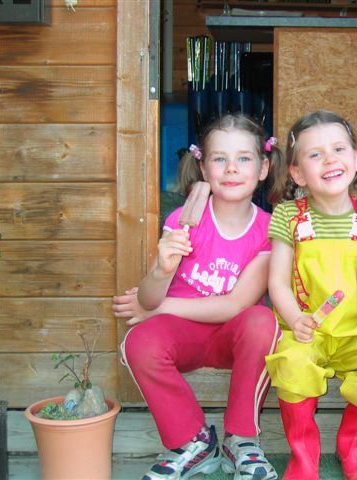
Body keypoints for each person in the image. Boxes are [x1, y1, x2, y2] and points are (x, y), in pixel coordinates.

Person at [113, 114, 282, 480]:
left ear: (263, 168)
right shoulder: (183, 220)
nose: (231, 168)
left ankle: (242, 439)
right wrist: (161, 270)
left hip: (232, 336)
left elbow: (235, 304)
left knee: (263, 321)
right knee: (138, 343)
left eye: (244, 158)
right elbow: (149, 294)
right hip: (182, 334)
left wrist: (157, 306)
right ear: (204, 168)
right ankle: (193, 442)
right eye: (220, 158)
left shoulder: (269, 231)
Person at [264, 110, 357, 480]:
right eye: (315, 154)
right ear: (298, 173)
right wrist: (295, 318)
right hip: (307, 331)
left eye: (338, 149)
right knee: (292, 365)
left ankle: (354, 449)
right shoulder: (287, 216)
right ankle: (304, 459)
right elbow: (277, 282)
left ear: (356, 158)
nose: (330, 159)